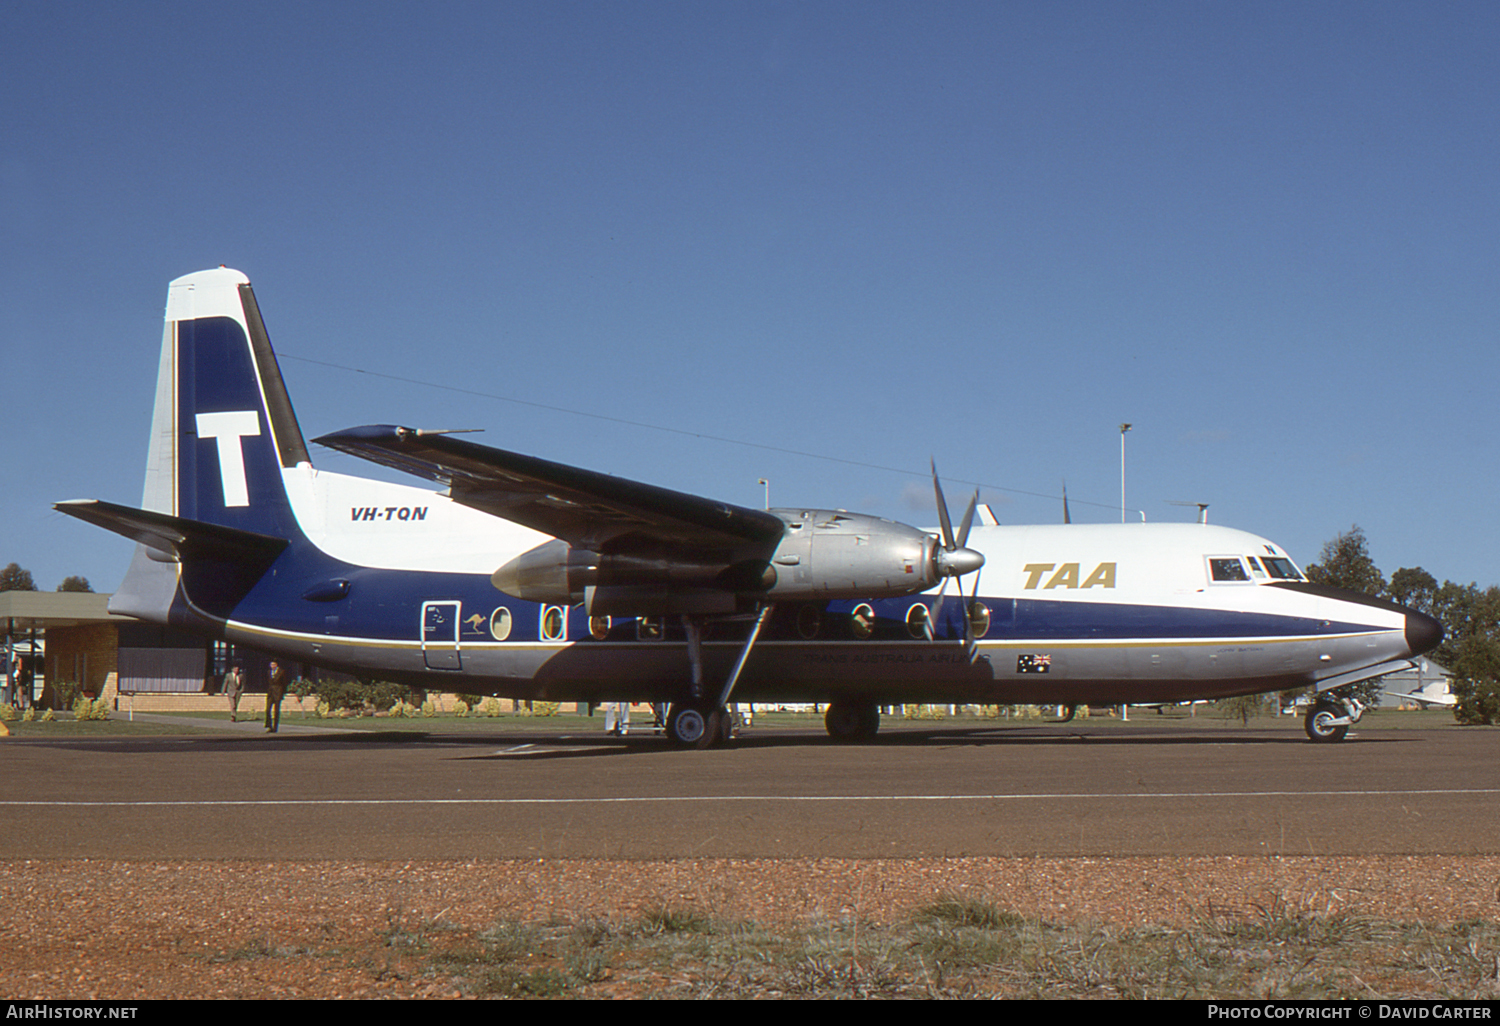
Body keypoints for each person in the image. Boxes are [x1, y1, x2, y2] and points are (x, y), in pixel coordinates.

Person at [265, 661, 288, 733]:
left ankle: (275, 727)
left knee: (276, 711)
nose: (272, 666)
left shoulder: (281, 672)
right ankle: (269, 725)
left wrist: (283, 693)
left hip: (278, 693)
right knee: (268, 709)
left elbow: (284, 683)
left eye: (274, 664)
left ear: (276, 665)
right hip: (270, 693)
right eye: (271, 664)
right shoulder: (269, 672)